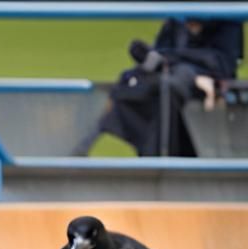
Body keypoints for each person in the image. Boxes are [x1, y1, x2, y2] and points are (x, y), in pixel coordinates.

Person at [73, 18, 244, 157]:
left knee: (171, 85)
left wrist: (186, 70)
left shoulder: (227, 19)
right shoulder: (177, 19)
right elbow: (160, 54)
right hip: (170, 80)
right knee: (131, 80)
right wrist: (160, 60)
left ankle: (162, 164)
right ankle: (84, 148)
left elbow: (222, 64)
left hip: (198, 88)